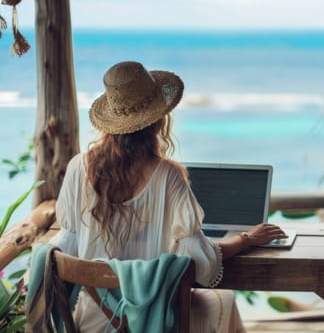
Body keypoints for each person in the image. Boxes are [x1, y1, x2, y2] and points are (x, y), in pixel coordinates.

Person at [49, 61, 288, 332]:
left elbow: (67, 245)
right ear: (159, 119)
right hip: (155, 320)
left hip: (92, 320)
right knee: (225, 300)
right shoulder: (169, 176)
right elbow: (199, 263)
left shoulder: (77, 167)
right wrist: (247, 239)